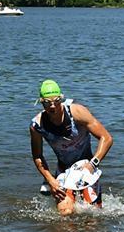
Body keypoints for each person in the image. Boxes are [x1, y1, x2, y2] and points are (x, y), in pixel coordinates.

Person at [30, 80, 113, 216]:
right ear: (41, 102)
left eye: (56, 101)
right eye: (46, 103)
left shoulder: (77, 112)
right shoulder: (37, 125)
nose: (52, 107)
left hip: (86, 167)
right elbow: (37, 155)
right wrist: (51, 180)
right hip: (64, 170)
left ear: (61, 99)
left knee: (93, 215)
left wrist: (92, 165)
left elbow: (107, 138)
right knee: (65, 213)